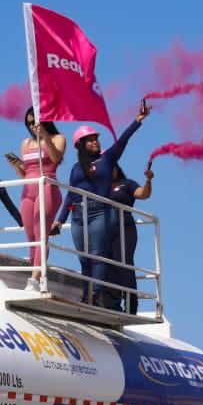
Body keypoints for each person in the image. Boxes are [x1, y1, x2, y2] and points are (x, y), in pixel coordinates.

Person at [51, 99, 151, 307]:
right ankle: (88, 294)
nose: (96, 141)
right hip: (78, 215)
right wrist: (59, 220)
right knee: (84, 258)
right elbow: (70, 195)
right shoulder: (76, 168)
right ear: (80, 145)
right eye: (90, 139)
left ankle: (95, 295)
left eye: (96, 138)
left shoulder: (107, 159)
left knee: (97, 256)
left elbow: (122, 141)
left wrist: (137, 120)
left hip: (100, 213)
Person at [9, 108, 66, 291]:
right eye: (29, 123)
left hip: (47, 186)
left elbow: (56, 158)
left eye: (35, 122)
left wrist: (46, 137)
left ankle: (34, 278)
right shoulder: (26, 143)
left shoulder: (58, 138)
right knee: (31, 237)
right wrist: (17, 165)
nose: (32, 126)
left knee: (41, 233)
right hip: (28, 188)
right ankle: (36, 275)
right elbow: (24, 173)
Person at [106, 161, 154, 314]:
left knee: (124, 263)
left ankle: (131, 304)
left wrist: (148, 180)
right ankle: (113, 304)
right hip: (106, 229)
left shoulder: (127, 184)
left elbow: (143, 194)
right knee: (109, 264)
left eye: (110, 166)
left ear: (116, 167)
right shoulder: (101, 187)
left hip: (125, 228)